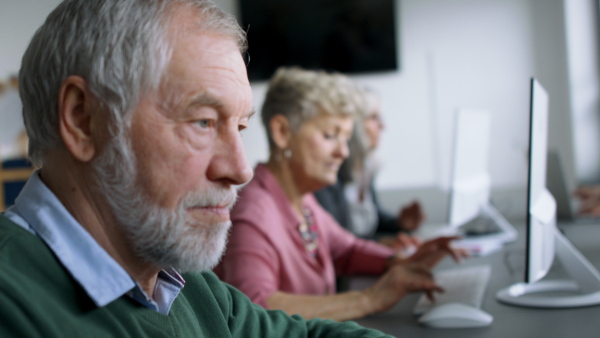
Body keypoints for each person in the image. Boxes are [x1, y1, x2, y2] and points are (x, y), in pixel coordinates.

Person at [0, 1, 393, 336]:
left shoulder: (191, 285)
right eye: (203, 122)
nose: (241, 170)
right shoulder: (12, 304)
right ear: (84, 119)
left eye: (239, 127)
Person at [215, 67, 466, 322]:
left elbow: (346, 249)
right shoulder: (252, 217)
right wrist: (371, 298)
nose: (343, 152)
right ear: (282, 132)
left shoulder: (302, 200)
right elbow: (254, 310)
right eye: (330, 135)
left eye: (345, 138)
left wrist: (400, 261)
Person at [314, 87, 424, 250]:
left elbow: (373, 220)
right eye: (374, 117)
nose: (382, 125)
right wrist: (378, 243)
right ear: (353, 125)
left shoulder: (366, 168)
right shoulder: (326, 175)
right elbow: (336, 239)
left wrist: (400, 224)